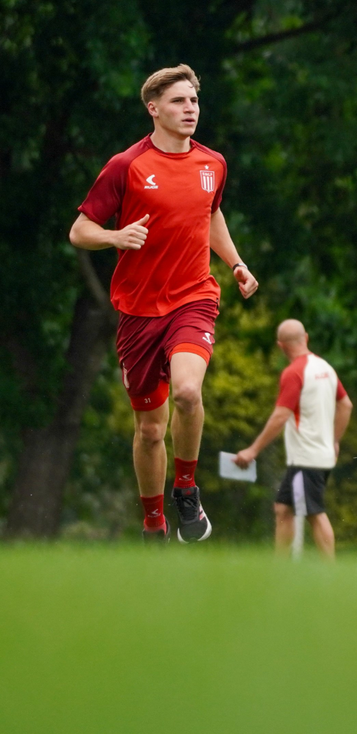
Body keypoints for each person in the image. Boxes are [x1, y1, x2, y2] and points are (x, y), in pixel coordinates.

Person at [68, 64, 259, 544]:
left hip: (194, 298)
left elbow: (210, 215)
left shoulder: (212, 163)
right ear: (153, 109)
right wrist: (114, 234)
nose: (189, 109)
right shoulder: (125, 165)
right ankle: (153, 522)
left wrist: (235, 263)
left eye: (193, 100)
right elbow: (80, 230)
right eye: (178, 101)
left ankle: (187, 489)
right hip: (137, 311)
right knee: (151, 431)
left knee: (189, 393)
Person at [233, 320, 353, 560]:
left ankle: (331, 574)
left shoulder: (294, 372)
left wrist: (253, 450)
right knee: (283, 508)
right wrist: (334, 440)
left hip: (305, 457)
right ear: (305, 338)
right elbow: (346, 405)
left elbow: (281, 415)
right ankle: (281, 566)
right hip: (318, 455)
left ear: (280, 346)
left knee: (314, 513)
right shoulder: (326, 368)